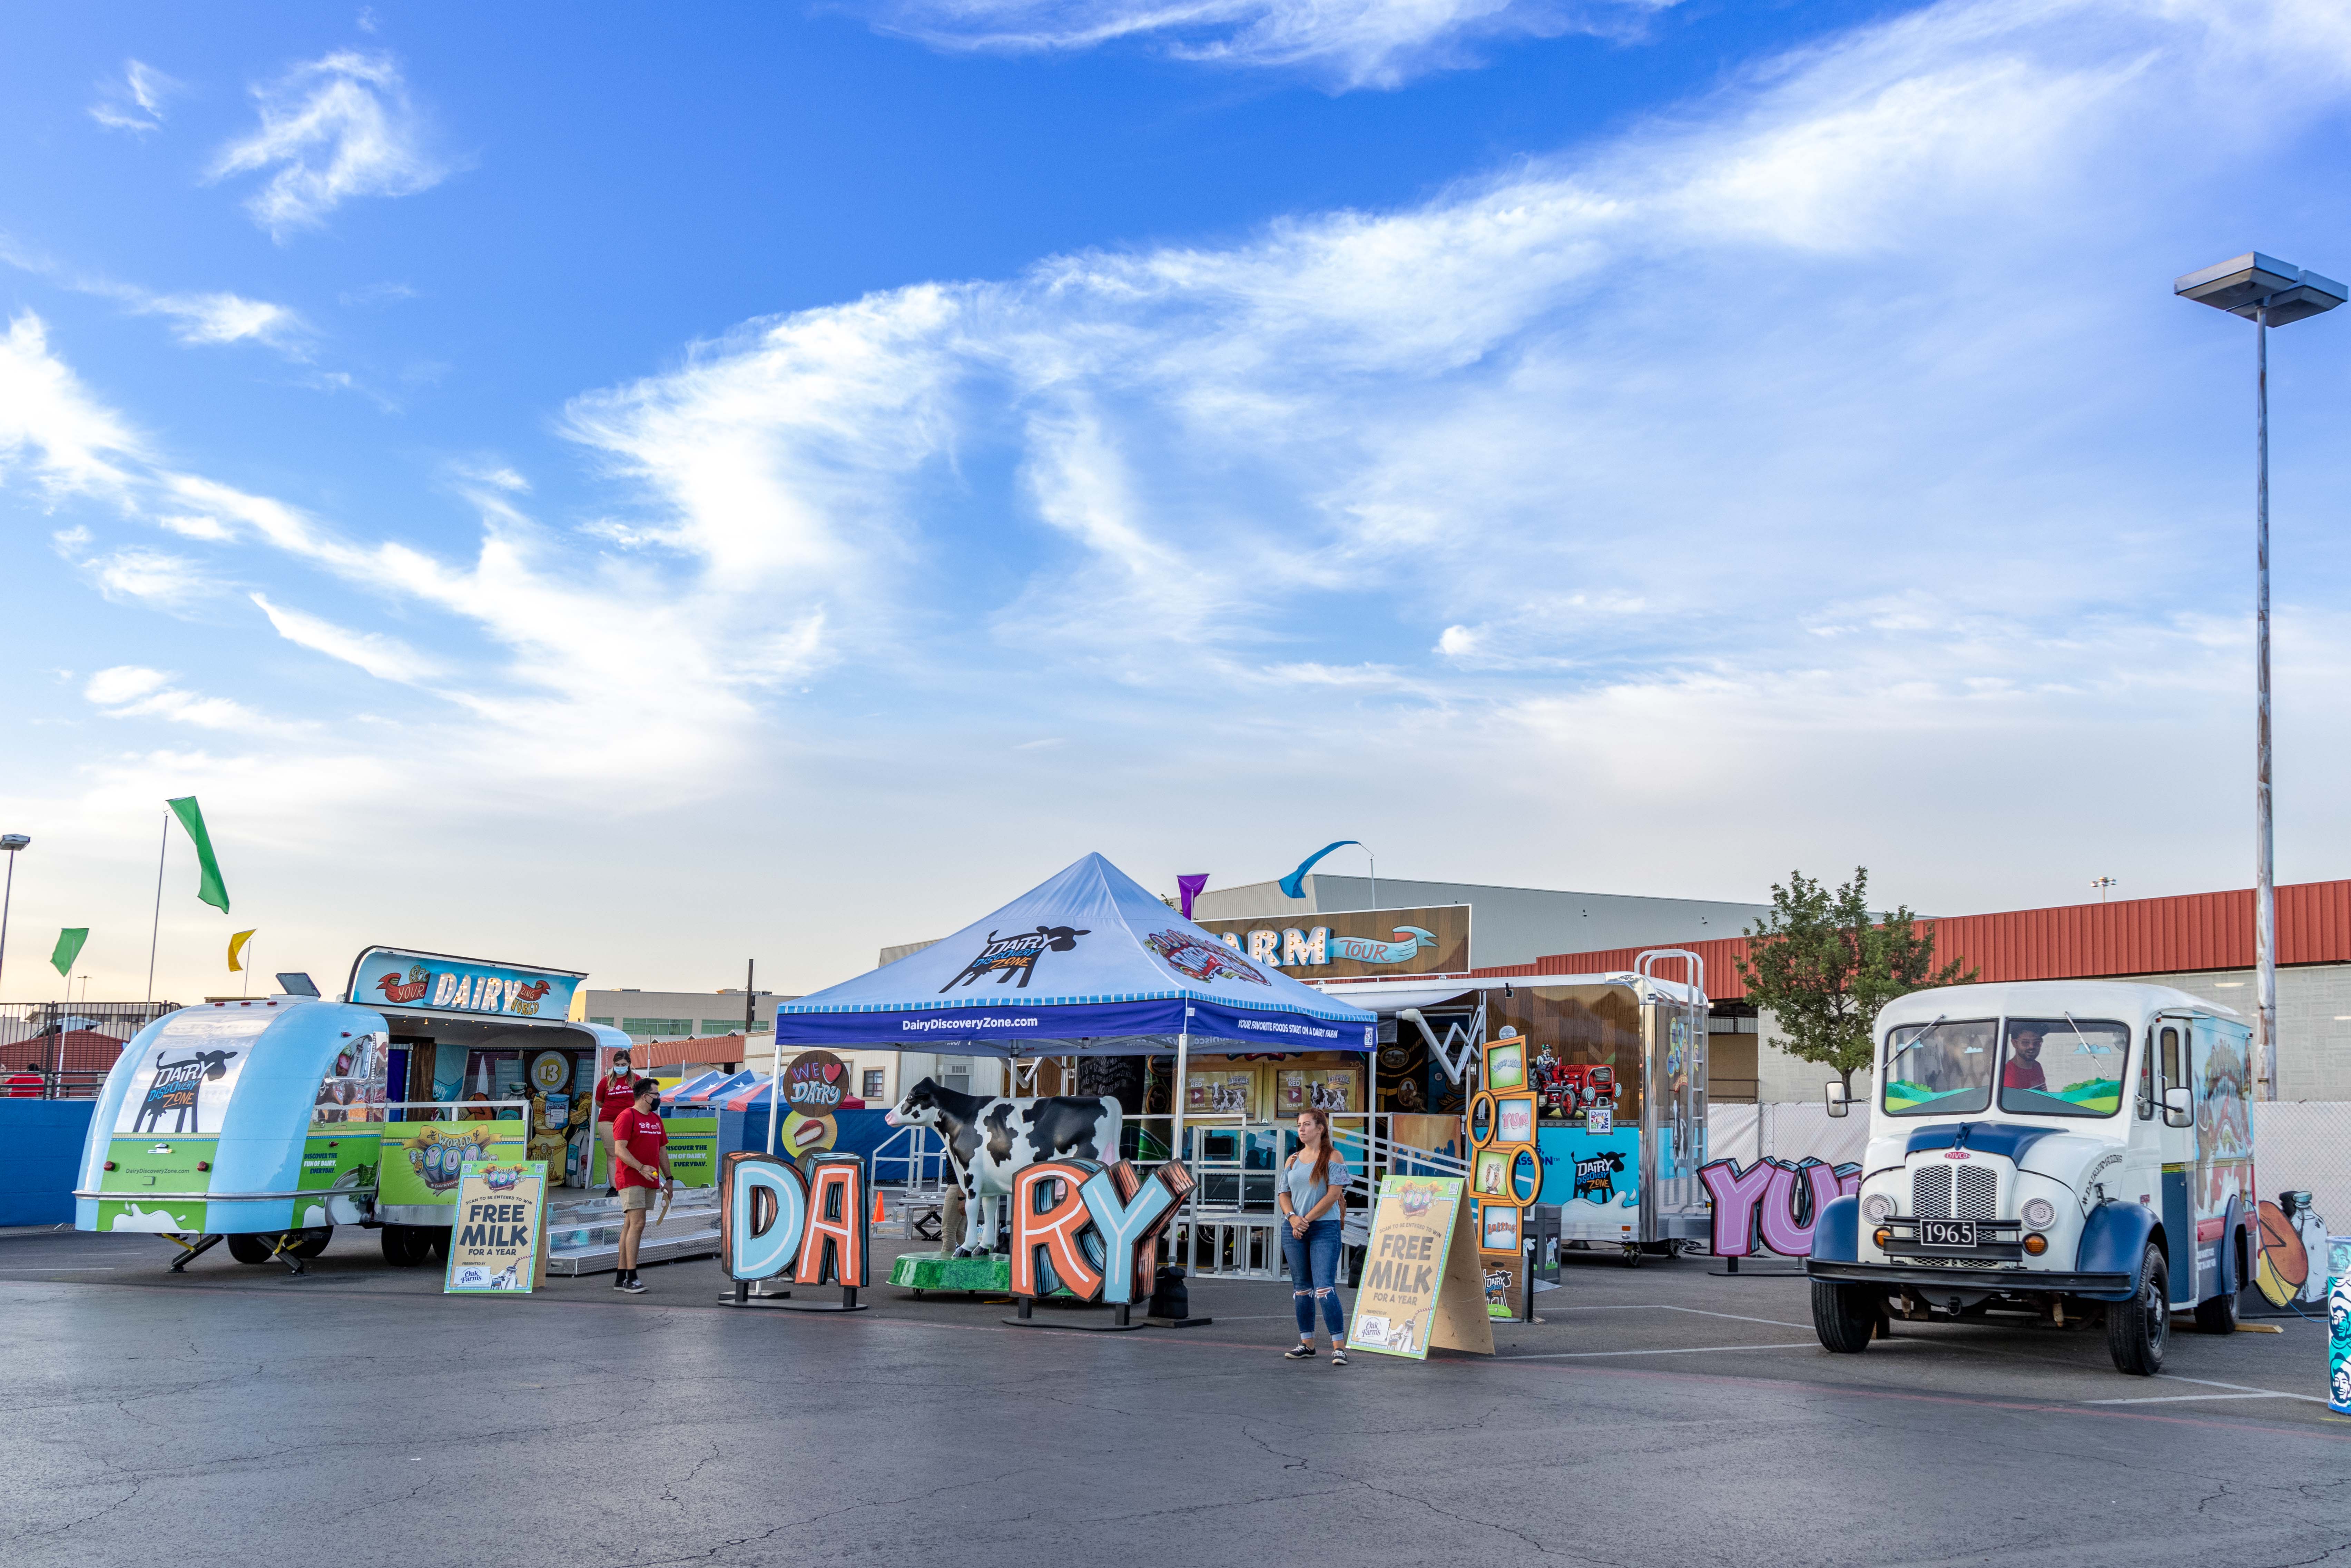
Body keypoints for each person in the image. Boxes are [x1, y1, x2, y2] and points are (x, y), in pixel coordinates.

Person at [1278, 1106, 1351, 1366]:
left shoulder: (1334, 1156)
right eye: (1299, 1124)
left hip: (1323, 1228)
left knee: (1324, 1288)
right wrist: (1292, 1218)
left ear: (1321, 1128)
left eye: (1307, 1124)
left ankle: (1339, 1347)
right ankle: (1307, 1343)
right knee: (1302, 1290)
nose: (1301, 1129)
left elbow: (1334, 1194)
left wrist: (1306, 1219)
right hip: (1294, 1229)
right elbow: (1283, 1194)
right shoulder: (1293, 1160)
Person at [609, 1077, 672, 1293]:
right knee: (638, 1224)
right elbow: (620, 1149)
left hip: (650, 1179)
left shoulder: (656, 1120)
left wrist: (669, 1179)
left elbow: (662, 1150)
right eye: (656, 1095)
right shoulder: (627, 1116)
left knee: (630, 1225)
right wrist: (640, 1167)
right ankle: (632, 1277)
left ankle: (621, 1277)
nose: (659, 1099)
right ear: (645, 1096)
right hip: (631, 1178)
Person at [594, 1051, 639, 1195]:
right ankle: (614, 1188)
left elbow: (643, 1099)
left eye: (624, 1065)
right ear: (613, 1065)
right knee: (613, 1155)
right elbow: (599, 1102)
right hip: (608, 1120)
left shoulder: (636, 1080)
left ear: (629, 1065)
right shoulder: (606, 1081)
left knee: (630, 1153)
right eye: (617, 1065)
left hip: (630, 1121)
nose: (620, 1067)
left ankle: (630, 1184)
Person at [2004, 1026, 2048, 1092]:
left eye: (2037, 1043)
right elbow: (2014, 1102)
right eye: (2025, 1043)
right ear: (2014, 1043)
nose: (2032, 1046)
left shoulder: (2037, 1065)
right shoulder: (2009, 1075)